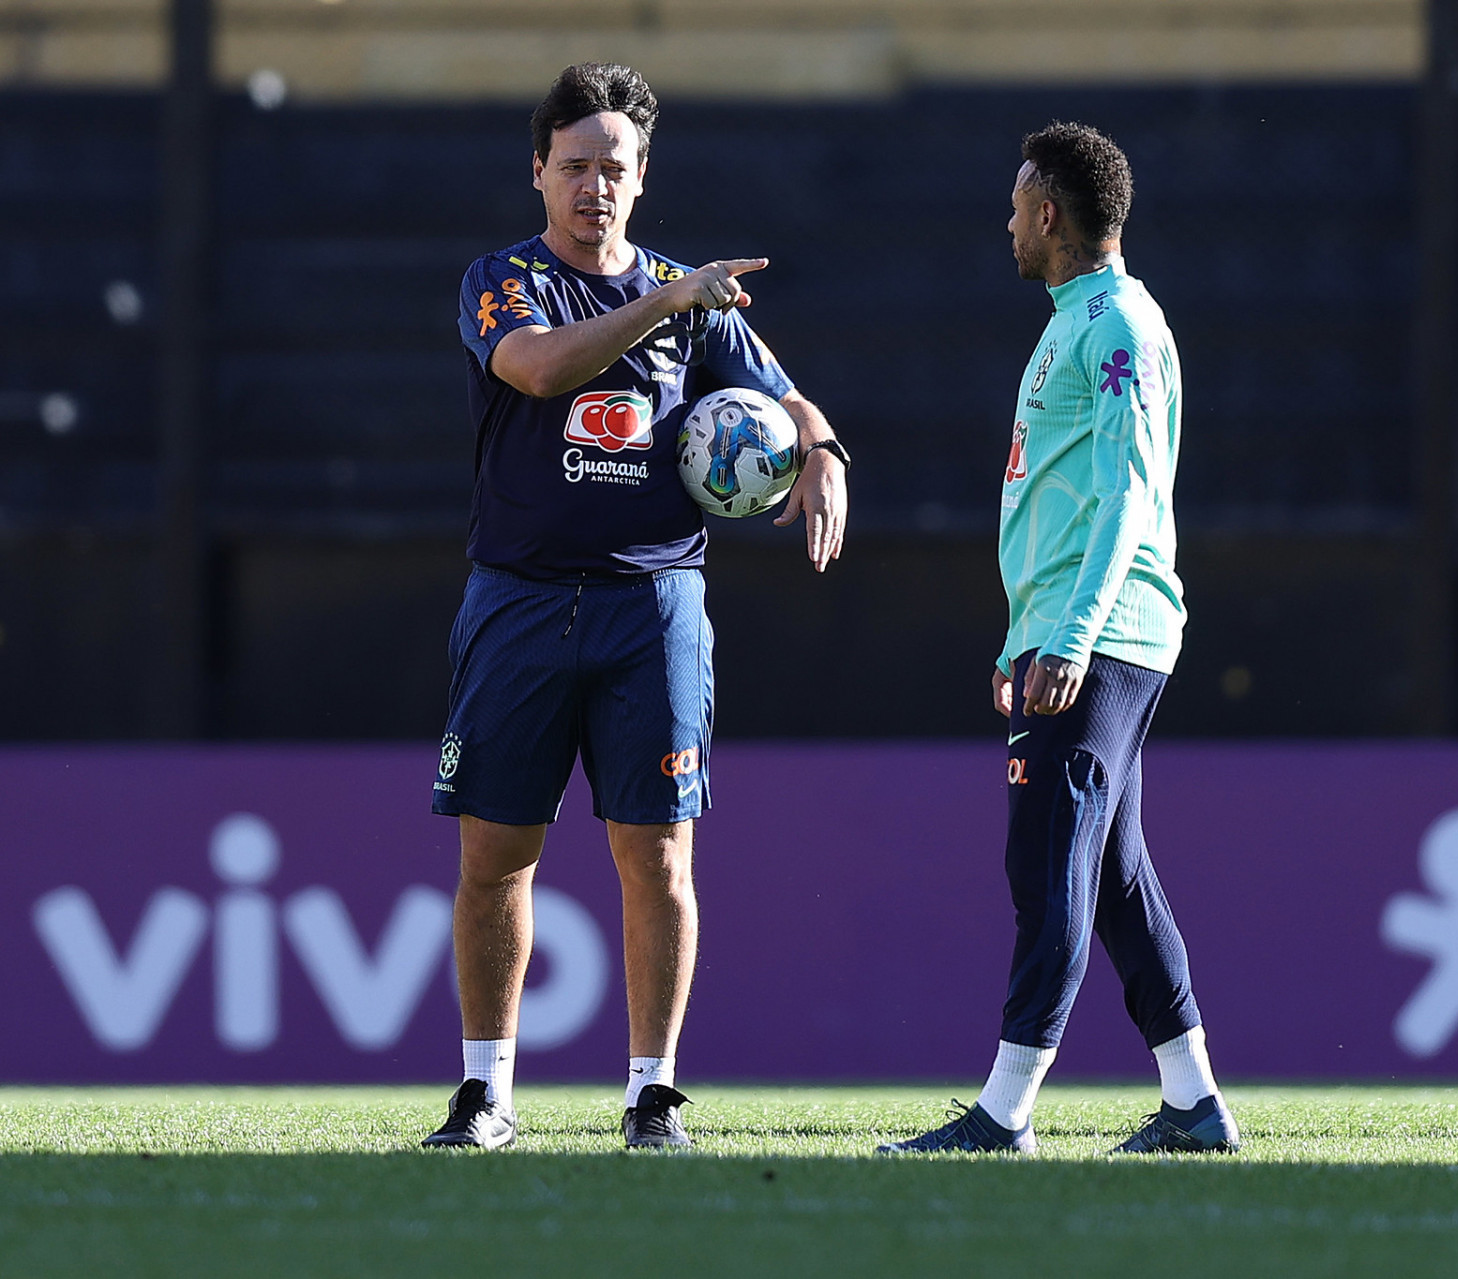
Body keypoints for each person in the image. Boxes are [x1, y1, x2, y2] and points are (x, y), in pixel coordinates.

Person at [421, 63, 850, 1151]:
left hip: (651, 604)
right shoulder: (501, 280)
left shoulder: (696, 305)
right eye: (575, 166)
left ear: (643, 176)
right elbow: (536, 370)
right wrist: (662, 301)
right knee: (494, 860)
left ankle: (652, 1093)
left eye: (615, 167)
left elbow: (781, 393)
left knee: (658, 857)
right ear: (538, 172)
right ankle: (485, 1093)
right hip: (517, 599)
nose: (594, 187)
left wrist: (823, 446)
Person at [880, 122, 1237, 1156]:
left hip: (1107, 633)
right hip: (1083, 630)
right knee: (1115, 876)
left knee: (1048, 867)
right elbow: (1064, 497)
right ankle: (1193, 1102)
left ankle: (1003, 1112)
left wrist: (1070, 636)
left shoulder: (1114, 321)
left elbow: (1127, 495)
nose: (1006, 220)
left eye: (1015, 201)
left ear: (1048, 213)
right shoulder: (1085, 319)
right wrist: (1021, 637)